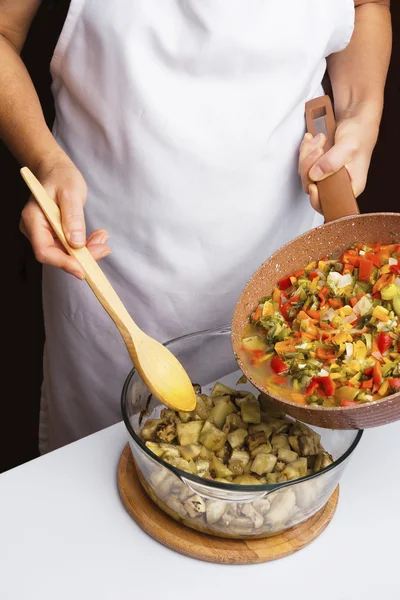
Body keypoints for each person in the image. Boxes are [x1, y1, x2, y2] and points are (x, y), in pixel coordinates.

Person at [0, 1, 391, 452]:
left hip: (286, 284)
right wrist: (44, 160)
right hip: (112, 275)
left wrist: (363, 117)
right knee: (100, 483)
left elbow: (367, 7)